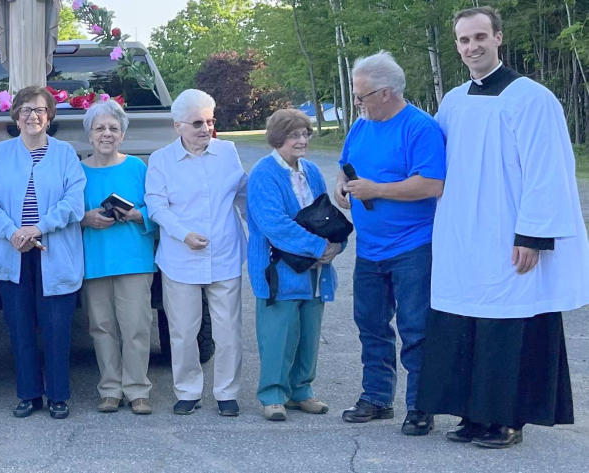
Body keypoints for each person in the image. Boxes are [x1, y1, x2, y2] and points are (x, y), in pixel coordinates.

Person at [417, 7, 589, 449]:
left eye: (480, 37)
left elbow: (547, 170)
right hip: (463, 235)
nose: (472, 47)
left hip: (508, 232)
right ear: (456, 47)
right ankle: (474, 415)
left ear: (498, 38)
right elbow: (434, 163)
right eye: (463, 40)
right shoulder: (453, 101)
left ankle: (508, 418)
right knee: (464, 321)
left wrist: (531, 235)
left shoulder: (530, 98)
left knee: (507, 326)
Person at [334, 52, 445, 436]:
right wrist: (342, 187)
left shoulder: (419, 127)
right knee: (370, 325)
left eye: (361, 95)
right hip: (370, 247)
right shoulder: (361, 126)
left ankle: (420, 405)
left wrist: (377, 189)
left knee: (417, 328)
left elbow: (432, 184)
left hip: (413, 246)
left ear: (386, 92)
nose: (356, 102)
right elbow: (345, 165)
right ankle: (377, 397)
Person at [0, 86, 84, 420]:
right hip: (14, 252)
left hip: (53, 250)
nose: (32, 116)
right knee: (20, 327)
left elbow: (74, 201)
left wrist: (38, 228)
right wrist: (13, 232)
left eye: (39, 110)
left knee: (56, 329)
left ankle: (57, 395)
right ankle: (28, 394)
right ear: (15, 116)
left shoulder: (65, 153)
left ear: (49, 116)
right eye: (25, 110)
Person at [145, 89, 246, 417]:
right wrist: (183, 234)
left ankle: (227, 392)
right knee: (184, 330)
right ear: (178, 126)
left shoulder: (228, 152)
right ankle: (188, 390)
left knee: (228, 330)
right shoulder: (161, 160)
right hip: (180, 259)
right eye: (198, 122)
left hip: (225, 254)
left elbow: (243, 196)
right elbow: (156, 205)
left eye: (210, 121)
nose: (206, 128)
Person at [246, 109, 341, 422]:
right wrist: (317, 247)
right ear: (278, 138)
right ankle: (273, 394)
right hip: (280, 271)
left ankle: (301, 391)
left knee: (309, 333)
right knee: (278, 335)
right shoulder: (263, 173)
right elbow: (274, 224)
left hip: (315, 272)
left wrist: (337, 244)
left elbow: (327, 215)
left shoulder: (311, 170)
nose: (302, 140)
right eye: (295, 135)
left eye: (305, 134)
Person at [79, 100, 156, 415]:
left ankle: (137, 390)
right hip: (95, 259)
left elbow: (159, 207)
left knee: (136, 326)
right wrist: (86, 218)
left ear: (123, 135)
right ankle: (110, 389)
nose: (106, 134)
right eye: (100, 128)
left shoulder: (137, 167)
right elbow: (69, 212)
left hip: (134, 258)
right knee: (102, 326)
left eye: (113, 128)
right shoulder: (79, 170)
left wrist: (138, 215)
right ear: (90, 135)